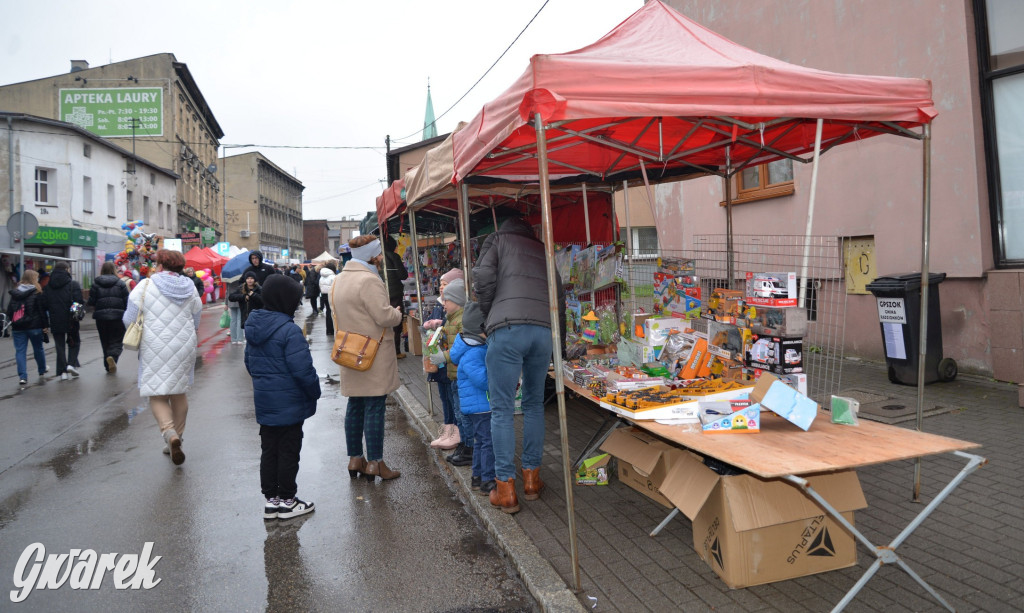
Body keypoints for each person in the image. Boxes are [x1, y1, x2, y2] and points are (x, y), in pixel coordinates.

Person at [473, 216, 565, 514]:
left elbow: (482, 278)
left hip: (507, 329)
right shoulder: (543, 249)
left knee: (501, 409)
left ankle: (506, 488)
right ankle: (531, 479)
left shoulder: (496, 240)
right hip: (542, 331)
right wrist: (559, 347)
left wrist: (489, 314)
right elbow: (559, 298)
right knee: (534, 404)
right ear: (530, 228)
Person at [244, 275, 321, 520]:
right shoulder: (289, 331)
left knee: (269, 451)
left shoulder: (254, 327)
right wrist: (314, 391)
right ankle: (288, 500)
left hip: (265, 403)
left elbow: (249, 363)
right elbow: (303, 371)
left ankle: (272, 501)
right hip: (289, 404)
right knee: (288, 451)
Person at [331, 234, 404, 482]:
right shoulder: (369, 281)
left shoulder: (339, 280)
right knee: (374, 406)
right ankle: (375, 462)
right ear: (373, 255)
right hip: (373, 352)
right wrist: (396, 314)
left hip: (349, 350)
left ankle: (355, 458)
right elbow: (383, 317)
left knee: (355, 405)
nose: (382, 257)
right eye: (380, 253)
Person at [123, 249, 203, 466]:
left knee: (157, 393)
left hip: (154, 344)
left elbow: (129, 318)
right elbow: (197, 314)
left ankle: (170, 434)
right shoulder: (190, 286)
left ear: (160, 265)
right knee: (179, 391)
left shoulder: (146, 285)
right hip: (184, 344)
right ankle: (178, 437)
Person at [450, 302, 496, 496]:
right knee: (488, 443)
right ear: (481, 330)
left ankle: (477, 477)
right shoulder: (474, 353)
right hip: (481, 406)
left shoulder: (469, 350)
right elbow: (483, 381)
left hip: (477, 406)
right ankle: (487, 480)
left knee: (480, 442)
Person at [429, 278, 471, 465]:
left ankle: (469, 447)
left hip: (462, 376)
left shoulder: (462, 321)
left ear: (457, 301)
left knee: (463, 414)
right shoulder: (450, 320)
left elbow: (461, 349)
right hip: (453, 375)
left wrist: (444, 356)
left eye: (446, 300)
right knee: (458, 412)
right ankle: (463, 444)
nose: (443, 303)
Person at [425, 268, 462, 451]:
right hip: (440, 363)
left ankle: (455, 432)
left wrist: (438, 325)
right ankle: (447, 429)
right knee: (445, 398)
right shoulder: (441, 306)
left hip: (449, 363)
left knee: (452, 398)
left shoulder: (455, 313)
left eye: (445, 285)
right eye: (440, 284)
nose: (441, 288)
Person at [6, 269, 49, 386]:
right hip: (34, 327)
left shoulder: (15, 293)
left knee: (20, 351)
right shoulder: (37, 292)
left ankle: (22, 377)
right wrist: (45, 326)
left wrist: (14, 321)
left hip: (18, 327)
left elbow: (10, 310)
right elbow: (42, 311)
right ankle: (41, 370)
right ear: (34, 279)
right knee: (38, 348)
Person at [43, 262, 84, 381]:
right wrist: (77, 317)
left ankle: (62, 372)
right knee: (74, 342)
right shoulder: (73, 284)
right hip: (71, 319)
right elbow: (78, 301)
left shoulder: (48, 286)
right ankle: (71, 364)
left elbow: (44, 304)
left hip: (55, 319)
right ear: (66, 269)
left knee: (59, 345)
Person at [87, 261, 129, 373]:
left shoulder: (96, 284)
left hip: (101, 318)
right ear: (114, 270)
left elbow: (91, 301)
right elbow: (127, 302)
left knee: (104, 341)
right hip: (117, 317)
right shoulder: (120, 284)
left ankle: (107, 366)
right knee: (118, 340)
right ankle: (113, 357)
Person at [382, 235, 409, 358]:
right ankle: (396, 351)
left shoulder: (377, 258)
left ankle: (386, 351)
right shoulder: (393, 256)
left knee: (385, 321)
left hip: (382, 293)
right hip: (394, 294)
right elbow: (402, 275)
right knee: (396, 320)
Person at [229, 272, 263, 344]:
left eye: (251, 278)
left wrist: (254, 295)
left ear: (254, 280)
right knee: (248, 339)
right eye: (248, 278)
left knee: (256, 337)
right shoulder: (241, 289)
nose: (249, 280)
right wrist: (243, 297)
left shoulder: (259, 289)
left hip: (257, 317)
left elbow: (263, 301)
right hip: (245, 316)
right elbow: (231, 297)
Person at [318, 261, 337, 336]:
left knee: (328, 312)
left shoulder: (322, 276)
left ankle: (328, 330)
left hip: (324, 295)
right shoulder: (333, 277)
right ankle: (332, 329)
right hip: (331, 295)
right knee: (331, 312)